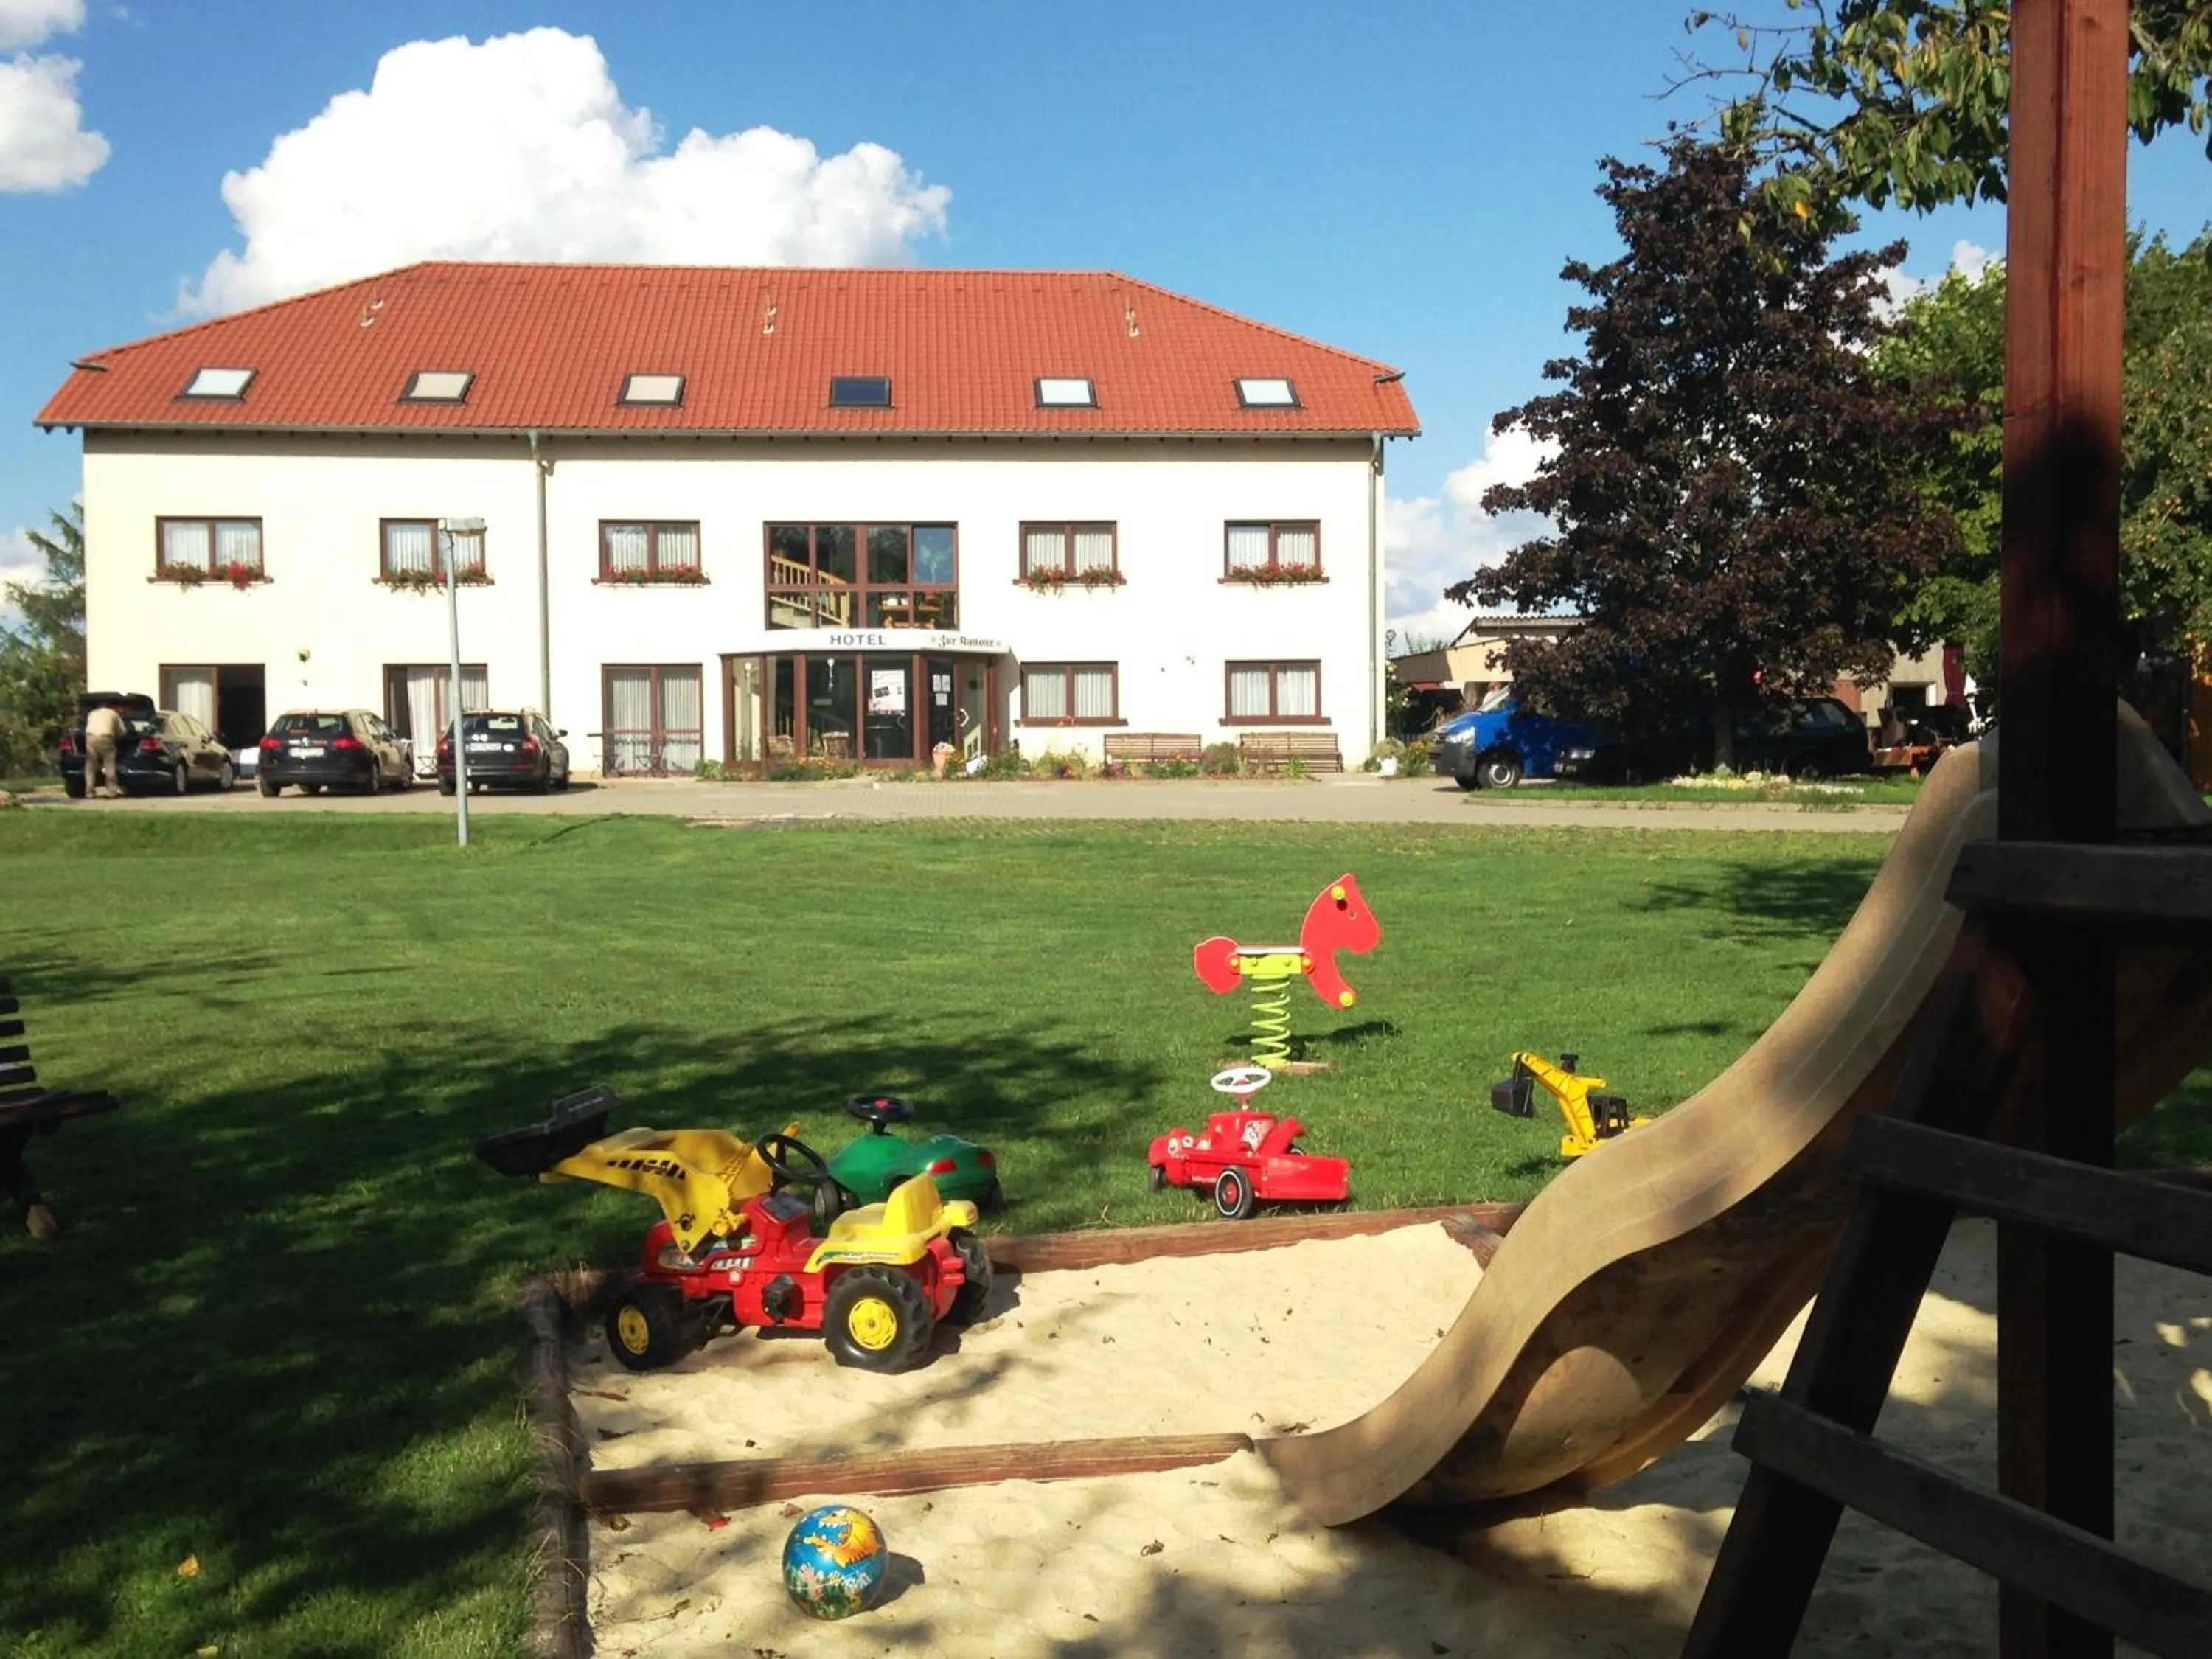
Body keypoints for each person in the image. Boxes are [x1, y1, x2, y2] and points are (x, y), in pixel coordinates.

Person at [81, 700, 125, 798]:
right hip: (106, 738)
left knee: (90, 767)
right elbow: (122, 731)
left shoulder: (92, 713)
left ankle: (89, 792)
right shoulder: (113, 714)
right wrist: (118, 737)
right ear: (109, 707)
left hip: (90, 738)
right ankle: (112, 791)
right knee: (109, 765)